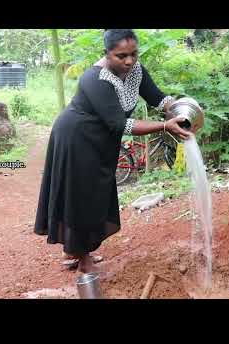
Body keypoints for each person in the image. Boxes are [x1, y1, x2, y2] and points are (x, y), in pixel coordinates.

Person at [34, 29, 190, 274]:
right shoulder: (95, 79)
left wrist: (179, 109)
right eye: (121, 56)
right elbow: (120, 124)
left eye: (133, 54)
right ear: (106, 54)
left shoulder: (135, 70)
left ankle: (75, 248)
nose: (129, 61)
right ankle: (81, 255)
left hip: (101, 139)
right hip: (76, 136)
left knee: (96, 192)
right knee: (81, 194)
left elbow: (157, 98)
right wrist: (163, 125)